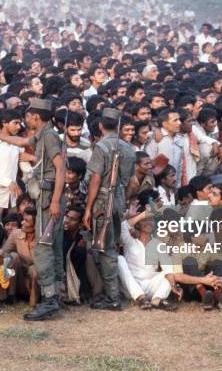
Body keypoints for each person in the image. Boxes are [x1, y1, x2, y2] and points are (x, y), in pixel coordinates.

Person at [0, 98, 66, 321]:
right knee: (53, 246)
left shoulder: (48, 136)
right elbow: (22, 142)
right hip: (48, 196)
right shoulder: (44, 133)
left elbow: (60, 168)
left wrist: (56, 200)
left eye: (28, 116)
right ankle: (56, 295)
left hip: (50, 197)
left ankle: (49, 299)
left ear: (36, 117)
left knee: (43, 248)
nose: (25, 119)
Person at [83, 107, 135, 311]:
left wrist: (88, 208)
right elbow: (133, 182)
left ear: (101, 126)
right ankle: (110, 293)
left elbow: (95, 179)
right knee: (110, 247)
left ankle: (113, 297)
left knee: (105, 249)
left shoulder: (101, 147)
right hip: (119, 199)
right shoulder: (128, 148)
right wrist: (125, 201)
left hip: (103, 201)